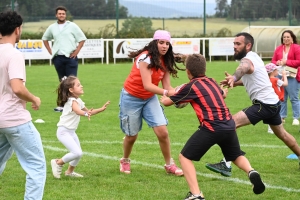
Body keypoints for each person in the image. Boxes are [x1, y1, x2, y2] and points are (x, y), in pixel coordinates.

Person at [160, 54, 265, 199]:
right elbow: (222, 94)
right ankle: (251, 172)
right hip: (229, 124)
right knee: (235, 155)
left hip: (211, 127)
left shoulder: (191, 86)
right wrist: (224, 93)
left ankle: (196, 194)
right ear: (205, 68)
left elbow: (169, 102)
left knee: (184, 157)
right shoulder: (212, 81)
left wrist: (165, 98)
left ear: (188, 72)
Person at [205, 32, 300, 177]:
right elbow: (253, 78)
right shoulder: (255, 57)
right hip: (273, 103)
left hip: (264, 104)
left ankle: (226, 163)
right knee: (283, 135)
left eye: (238, 44)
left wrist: (234, 76)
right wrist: (235, 83)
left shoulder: (247, 60)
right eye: (234, 44)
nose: (234, 47)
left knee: (230, 123)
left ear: (248, 45)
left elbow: (243, 68)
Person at [118, 30, 184, 175]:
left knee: (163, 133)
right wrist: (167, 94)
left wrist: (179, 96)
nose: (165, 46)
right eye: (161, 43)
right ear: (155, 43)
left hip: (149, 98)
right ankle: (125, 160)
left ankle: (169, 165)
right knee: (132, 136)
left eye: (167, 43)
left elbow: (167, 87)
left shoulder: (166, 60)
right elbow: (148, 85)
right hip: (131, 97)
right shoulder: (145, 58)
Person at [0, 11, 46, 199]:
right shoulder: (14, 54)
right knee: (36, 165)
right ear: (18, 30)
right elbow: (18, 88)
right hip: (14, 119)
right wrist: (33, 98)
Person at [50, 76, 110, 178]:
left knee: (79, 153)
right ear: (71, 90)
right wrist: (86, 114)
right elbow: (78, 111)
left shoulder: (78, 100)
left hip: (71, 132)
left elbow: (87, 111)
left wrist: (101, 109)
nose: (81, 86)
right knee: (76, 152)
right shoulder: (72, 101)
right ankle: (57, 162)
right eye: (78, 85)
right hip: (63, 131)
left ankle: (69, 172)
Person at [42, 6, 87, 112]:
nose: (61, 15)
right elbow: (45, 38)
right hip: (58, 58)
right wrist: (51, 52)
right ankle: (62, 105)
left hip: (71, 58)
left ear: (65, 15)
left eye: (63, 13)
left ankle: (75, 105)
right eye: (59, 13)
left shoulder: (72, 26)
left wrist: (76, 51)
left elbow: (82, 39)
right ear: (56, 15)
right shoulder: (52, 27)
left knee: (72, 82)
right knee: (62, 82)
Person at [271, 30, 300, 126]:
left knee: (294, 98)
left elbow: (298, 61)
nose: (286, 39)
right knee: (281, 97)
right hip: (280, 75)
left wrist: (286, 61)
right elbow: (273, 61)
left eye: (288, 37)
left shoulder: (296, 48)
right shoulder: (278, 49)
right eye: (284, 37)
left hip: (292, 75)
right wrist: (278, 62)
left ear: (292, 38)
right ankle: (282, 117)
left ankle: (296, 118)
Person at [265, 63, 288, 134]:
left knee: (271, 114)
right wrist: (284, 75)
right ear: (273, 72)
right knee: (277, 115)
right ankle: (277, 129)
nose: (278, 72)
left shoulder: (267, 80)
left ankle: (270, 129)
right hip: (277, 100)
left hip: (269, 100)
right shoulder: (276, 80)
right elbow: (285, 84)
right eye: (276, 70)